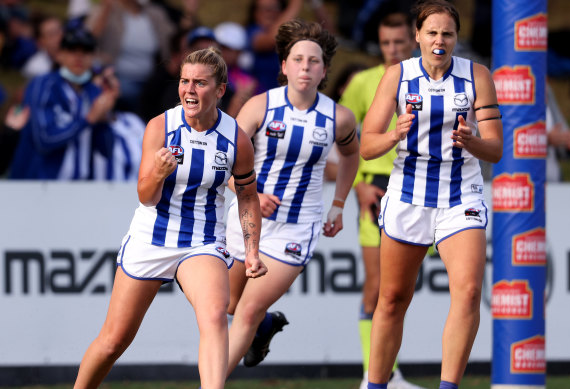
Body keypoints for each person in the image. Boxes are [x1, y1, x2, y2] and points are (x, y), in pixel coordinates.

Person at [73, 47, 267, 389]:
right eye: (184, 81)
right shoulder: (160, 126)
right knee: (113, 342)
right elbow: (145, 196)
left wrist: (251, 251)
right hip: (153, 236)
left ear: (220, 90)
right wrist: (158, 173)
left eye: (200, 83)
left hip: (202, 241)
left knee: (213, 317)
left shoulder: (236, 137)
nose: (189, 90)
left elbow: (248, 197)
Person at [360, 1, 503, 389]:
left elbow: (497, 150)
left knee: (470, 291)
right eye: (433, 33)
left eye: (448, 34)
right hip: (408, 195)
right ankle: (377, 385)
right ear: (418, 36)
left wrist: (473, 142)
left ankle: (448, 386)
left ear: (457, 38)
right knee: (391, 300)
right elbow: (367, 146)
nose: (440, 40)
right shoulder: (397, 76)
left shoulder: (477, 76)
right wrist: (393, 133)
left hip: (461, 196)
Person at [225, 18, 360, 375]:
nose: (305, 67)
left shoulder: (338, 118)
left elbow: (350, 156)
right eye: (297, 59)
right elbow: (223, 162)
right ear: (284, 66)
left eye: (313, 61)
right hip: (247, 219)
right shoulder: (259, 106)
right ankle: (266, 326)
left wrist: (339, 204)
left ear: (324, 70)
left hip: (297, 228)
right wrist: (250, 193)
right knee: (228, 304)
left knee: (246, 311)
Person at [339, 12, 423, 389]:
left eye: (399, 43)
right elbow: (341, 135)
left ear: (413, 40)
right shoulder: (364, 82)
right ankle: (376, 375)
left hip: (430, 188)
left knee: (416, 286)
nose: (392, 50)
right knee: (378, 286)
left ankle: (392, 372)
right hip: (377, 188)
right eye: (386, 43)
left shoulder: (434, 77)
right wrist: (357, 185)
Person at [9, 26, 118, 180]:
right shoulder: (42, 85)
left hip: (80, 188)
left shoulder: (94, 92)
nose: (79, 57)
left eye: (86, 51)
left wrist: (105, 119)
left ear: (93, 57)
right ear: (59, 55)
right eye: (72, 50)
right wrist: (89, 119)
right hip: (38, 186)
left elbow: (106, 150)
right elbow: (44, 140)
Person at [85, 0, 175, 113]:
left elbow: (174, 41)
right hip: (117, 78)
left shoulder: (155, 13)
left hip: (150, 80)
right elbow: (88, 39)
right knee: (134, 96)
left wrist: (190, 13)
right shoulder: (109, 9)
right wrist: (106, 8)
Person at [214, 21, 259, 118]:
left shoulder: (246, 79)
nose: (221, 51)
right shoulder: (206, 70)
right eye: (220, 47)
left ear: (239, 52)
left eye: (227, 48)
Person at [21, 14, 63, 78]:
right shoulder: (35, 68)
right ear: (40, 42)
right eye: (51, 34)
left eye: (59, 31)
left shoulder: (80, 58)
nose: (59, 37)